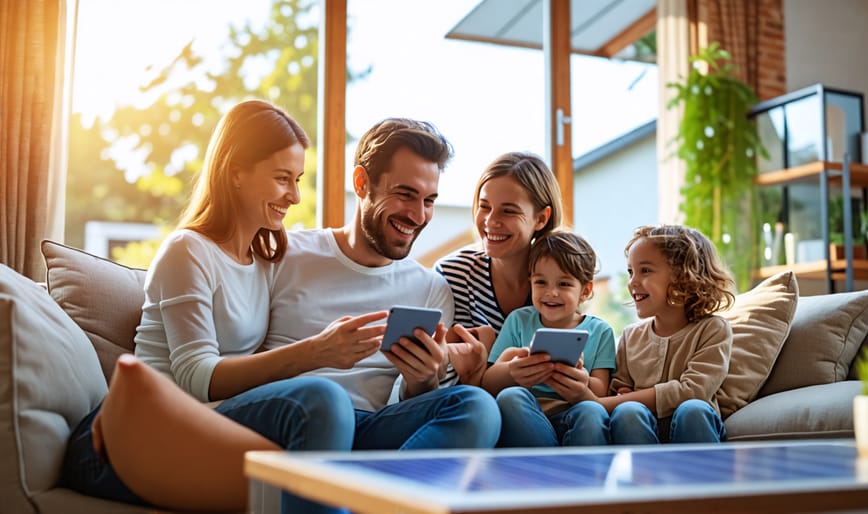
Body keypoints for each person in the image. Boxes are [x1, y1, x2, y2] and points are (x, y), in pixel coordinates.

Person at [60, 99, 370, 513]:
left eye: (297, 179)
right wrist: (316, 351)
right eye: (282, 178)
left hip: (211, 425)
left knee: (334, 409)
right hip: (136, 436)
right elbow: (196, 377)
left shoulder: (265, 260)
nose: (295, 196)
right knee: (321, 399)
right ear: (236, 171)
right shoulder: (188, 251)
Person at [265, 117, 501, 454]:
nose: (418, 216)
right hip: (294, 419)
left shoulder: (431, 288)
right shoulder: (286, 254)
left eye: (429, 200)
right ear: (362, 183)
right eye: (405, 195)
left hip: (373, 428)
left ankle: (378, 496)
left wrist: (424, 380)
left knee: (478, 407)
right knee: (327, 401)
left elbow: (411, 404)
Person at [434, 151, 563, 382]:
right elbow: (439, 378)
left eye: (509, 210)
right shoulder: (453, 274)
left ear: (541, 219)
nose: (491, 221)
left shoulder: (562, 276)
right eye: (484, 207)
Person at [481, 230, 616, 447]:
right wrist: (512, 370)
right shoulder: (518, 321)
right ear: (530, 282)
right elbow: (488, 383)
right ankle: (546, 467)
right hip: (528, 414)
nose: (551, 292)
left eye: (563, 284)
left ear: (585, 290)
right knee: (510, 397)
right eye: (541, 282)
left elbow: (600, 392)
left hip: (574, 413)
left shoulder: (600, 331)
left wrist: (580, 383)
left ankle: (582, 475)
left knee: (592, 410)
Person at [602, 224, 735, 444]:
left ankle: (706, 476)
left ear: (683, 276)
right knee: (627, 412)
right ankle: (644, 477)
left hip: (694, 427)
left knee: (693, 409)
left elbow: (693, 391)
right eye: (630, 272)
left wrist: (610, 401)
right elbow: (618, 389)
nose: (632, 282)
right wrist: (620, 396)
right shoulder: (630, 336)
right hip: (642, 429)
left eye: (645, 270)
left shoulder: (713, 330)